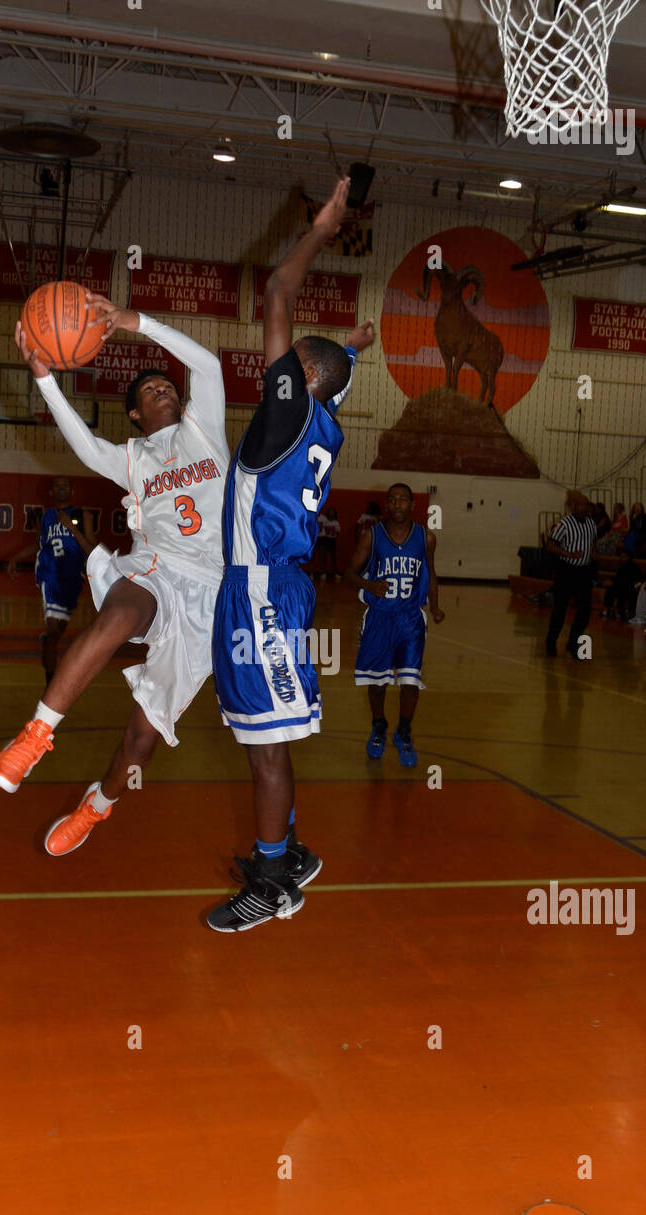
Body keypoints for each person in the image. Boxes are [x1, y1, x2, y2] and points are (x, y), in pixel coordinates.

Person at [0, 296, 229, 857]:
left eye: (167, 385)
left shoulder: (204, 430)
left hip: (210, 594)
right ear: (135, 414)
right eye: (150, 390)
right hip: (156, 570)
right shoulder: (133, 458)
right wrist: (44, 379)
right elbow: (86, 447)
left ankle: (97, 806)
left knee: (142, 738)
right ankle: (34, 736)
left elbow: (208, 365)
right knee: (119, 613)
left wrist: (136, 323)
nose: (163, 390)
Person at [208, 175, 376, 932]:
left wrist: (324, 226)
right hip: (267, 586)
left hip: (262, 593)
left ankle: (274, 878)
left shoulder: (288, 414)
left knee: (267, 746)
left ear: (299, 380)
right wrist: (352, 349)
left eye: (289, 362)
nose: (271, 365)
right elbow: (333, 375)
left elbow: (278, 289)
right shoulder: (321, 421)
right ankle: (290, 851)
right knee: (262, 733)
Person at [345, 482, 444, 767]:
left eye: (402, 499)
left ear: (413, 505)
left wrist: (435, 606)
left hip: (411, 618)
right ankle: (379, 725)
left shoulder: (426, 538)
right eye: (392, 500)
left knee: (410, 681)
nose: (397, 503)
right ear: (386, 505)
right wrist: (369, 585)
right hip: (379, 617)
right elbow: (348, 574)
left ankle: (404, 731)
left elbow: (431, 573)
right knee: (377, 683)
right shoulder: (372, 535)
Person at [7, 475, 97, 685]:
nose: (62, 487)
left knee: (57, 632)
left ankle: (48, 641)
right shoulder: (46, 516)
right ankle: (51, 685)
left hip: (72, 577)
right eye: (57, 485)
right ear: (51, 492)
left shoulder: (83, 516)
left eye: (66, 485)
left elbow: (92, 550)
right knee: (54, 628)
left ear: (72, 491)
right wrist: (16, 558)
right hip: (49, 573)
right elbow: (39, 544)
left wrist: (72, 528)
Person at [544, 490, 597, 658]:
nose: (584, 508)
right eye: (581, 505)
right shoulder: (564, 524)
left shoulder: (591, 524)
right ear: (574, 507)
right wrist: (568, 554)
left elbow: (593, 542)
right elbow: (550, 546)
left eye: (586, 505)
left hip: (584, 571)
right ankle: (551, 642)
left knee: (585, 611)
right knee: (560, 609)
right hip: (567, 570)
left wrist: (592, 554)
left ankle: (573, 642)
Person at [312, 506, 341, 582]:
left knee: (328, 556)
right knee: (314, 557)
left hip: (324, 539)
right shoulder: (312, 517)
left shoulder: (325, 518)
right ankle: (313, 573)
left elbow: (333, 530)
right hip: (315, 538)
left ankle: (328, 573)